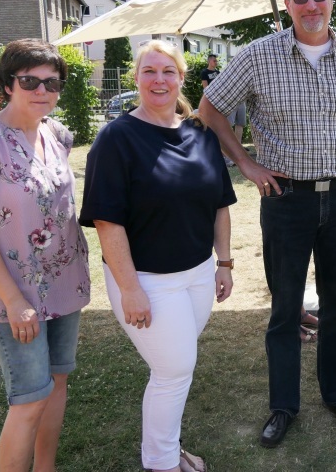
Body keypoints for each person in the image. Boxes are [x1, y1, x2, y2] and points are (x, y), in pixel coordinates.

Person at [198, 0, 336, 447]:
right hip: (285, 200)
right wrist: (245, 162)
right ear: (287, 4)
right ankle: (283, 405)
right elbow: (209, 108)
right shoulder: (258, 55)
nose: (312, 5)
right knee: (285, 309)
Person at [80, 40, 236, 472]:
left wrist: (224, 263)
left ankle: (165, 448)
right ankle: (162, 462)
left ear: (182, 78)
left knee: (173, 369)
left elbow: (221, 204)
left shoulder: (201, 133)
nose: (159, 80)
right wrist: (130, 289)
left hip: (198, 274)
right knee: (175, 369)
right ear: (136, 78)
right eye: (149, 71)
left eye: (168, 71)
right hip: (146, 280)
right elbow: (107, 223)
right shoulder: (116, 138)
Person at [0, 39, 90, 472]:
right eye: (29, 81)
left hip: (63, 282)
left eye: (51, 83)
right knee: (29, 399)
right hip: (11, 294)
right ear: (8, 84)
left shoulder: (57, 134)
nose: (41, 90)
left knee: (57, 384)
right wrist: (14, 300)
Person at [201, 53, 247, 156]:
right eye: (214, 60)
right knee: (220, 124)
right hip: (213, 101)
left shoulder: (218, 72)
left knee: (237, 122)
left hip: (222, 100)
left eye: (216, 61)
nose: (216, 62)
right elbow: (206, 89)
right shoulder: (205, 72)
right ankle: (221, 149)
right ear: (209, 61)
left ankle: (237, 148)